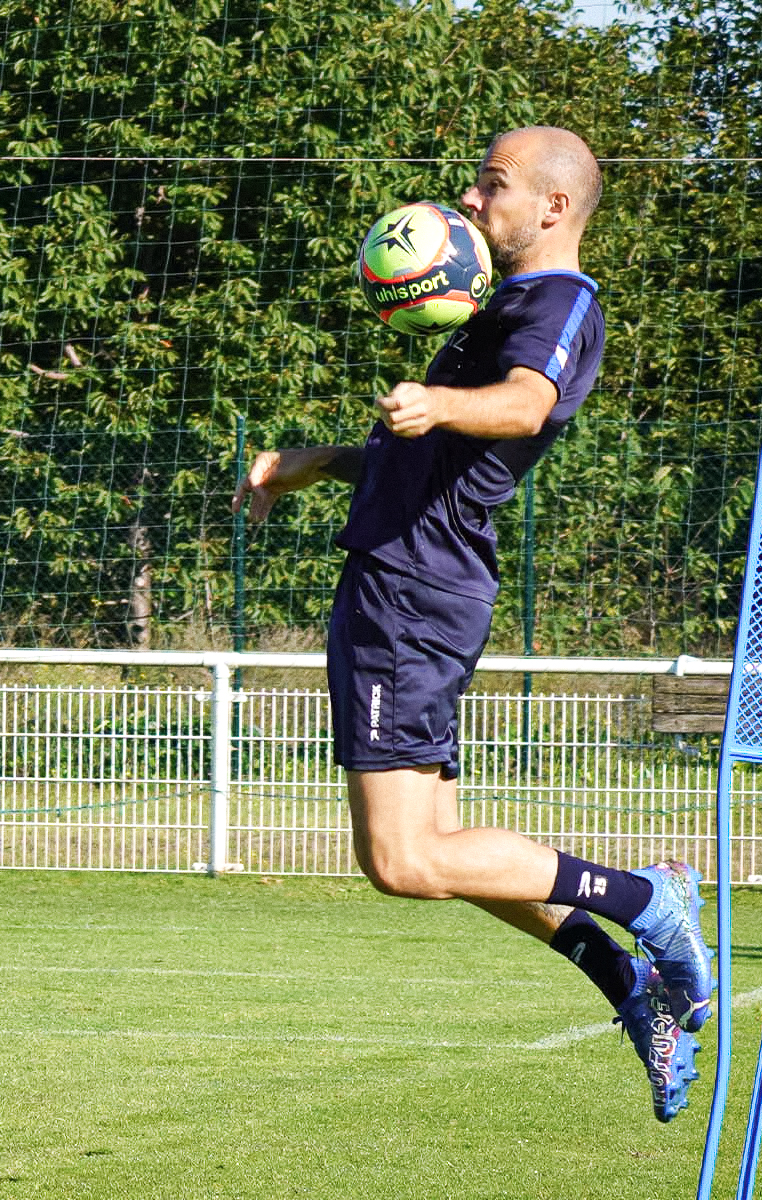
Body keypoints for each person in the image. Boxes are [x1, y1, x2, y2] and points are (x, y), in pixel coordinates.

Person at [231, 126, 712, 1123]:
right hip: (403, 581)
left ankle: (643, 901)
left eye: (492, 184)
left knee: (405, 863)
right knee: (433, 848)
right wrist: (315, 460)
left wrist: (441, 400)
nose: (471, 195)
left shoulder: (557, 302)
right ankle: (632, 990)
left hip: (410, 592)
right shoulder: (506, 304)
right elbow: (430, 453)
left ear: (549, 207)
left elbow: (524, 407)